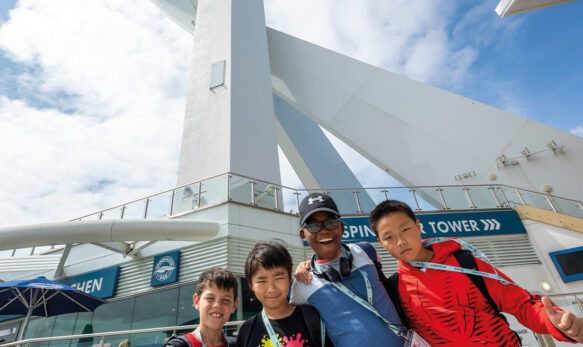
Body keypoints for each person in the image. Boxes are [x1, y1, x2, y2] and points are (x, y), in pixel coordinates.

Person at [368, 199, 583, 346]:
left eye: (405, 229)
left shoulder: (466, 263)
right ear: (381, 243)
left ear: (418, 226)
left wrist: (555, 322)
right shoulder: (394, 289)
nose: (400, 241)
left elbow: (521, 304)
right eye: (388, 237)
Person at [290, 193, 406, 347]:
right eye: (313, 226)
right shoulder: (302, 284)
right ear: (303, 235)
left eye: (330, 222)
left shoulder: (366, 251)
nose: (323, 231)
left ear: (342, 227)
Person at [236, 241, 333, 347]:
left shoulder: (313, 318)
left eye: (279, 278)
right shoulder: (247, 331)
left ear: (289, 279)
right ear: (251, 285)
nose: (271, 289)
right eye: (262, 281)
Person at [163, 267, 238, 347]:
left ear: (234, 305)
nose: (217, 305)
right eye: (210, 298)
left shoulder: (239, 344)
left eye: (226, 300)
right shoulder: (176, 345)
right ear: (196, 301)